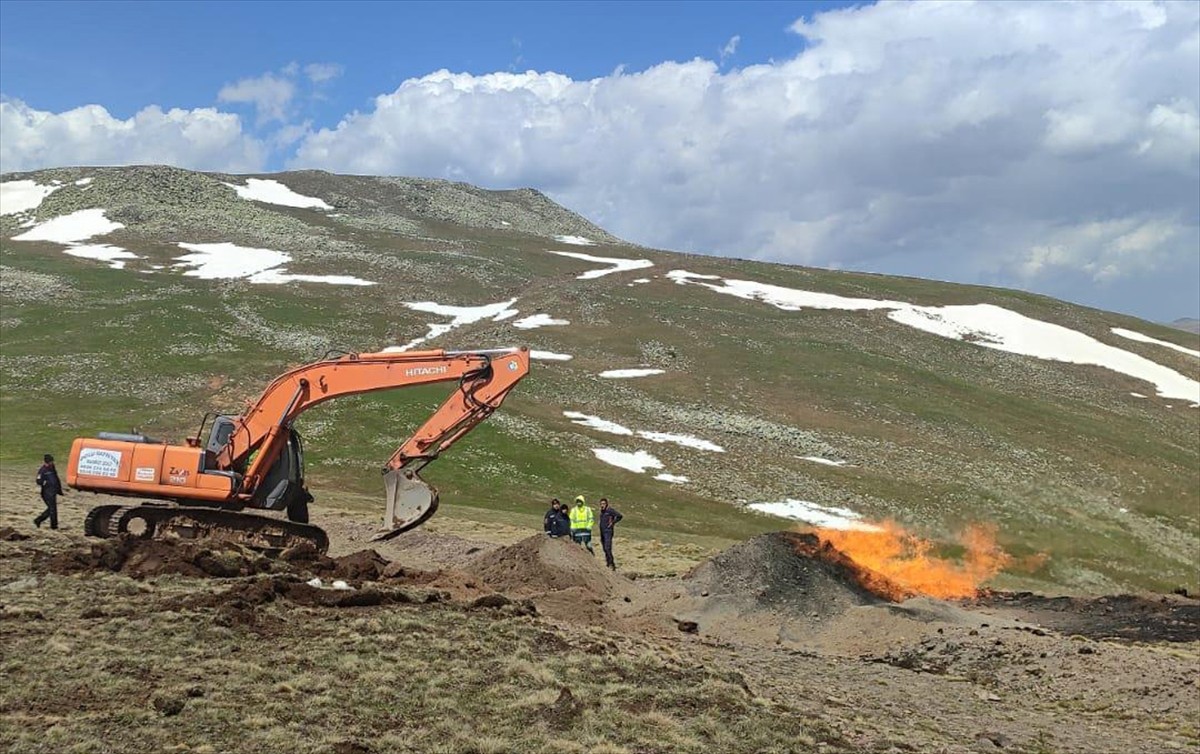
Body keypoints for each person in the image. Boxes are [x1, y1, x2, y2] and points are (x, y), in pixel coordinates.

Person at [34, 454, 65, 530]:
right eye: (51, 461)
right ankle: (53, 526)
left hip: (53, 492)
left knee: (51, 509)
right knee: (52, 509)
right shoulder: (43, 470)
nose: (52, 463)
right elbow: (38, 481)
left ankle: (39, 520)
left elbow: (56, 479)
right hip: (46, 492)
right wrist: (46, 483)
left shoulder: (52, 469)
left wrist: (59, 490)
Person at [598, 498, 624, 571]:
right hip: (602, 531)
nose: (602, 505)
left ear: (606, 504)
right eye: (601, 504)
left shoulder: (610, 510)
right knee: (604, 548)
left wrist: (612, 523)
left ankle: (612, 564)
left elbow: (619, 516)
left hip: (608, 531)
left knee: (607, 548)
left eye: (603, 504)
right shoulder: (602, 511)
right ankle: (608, 562)